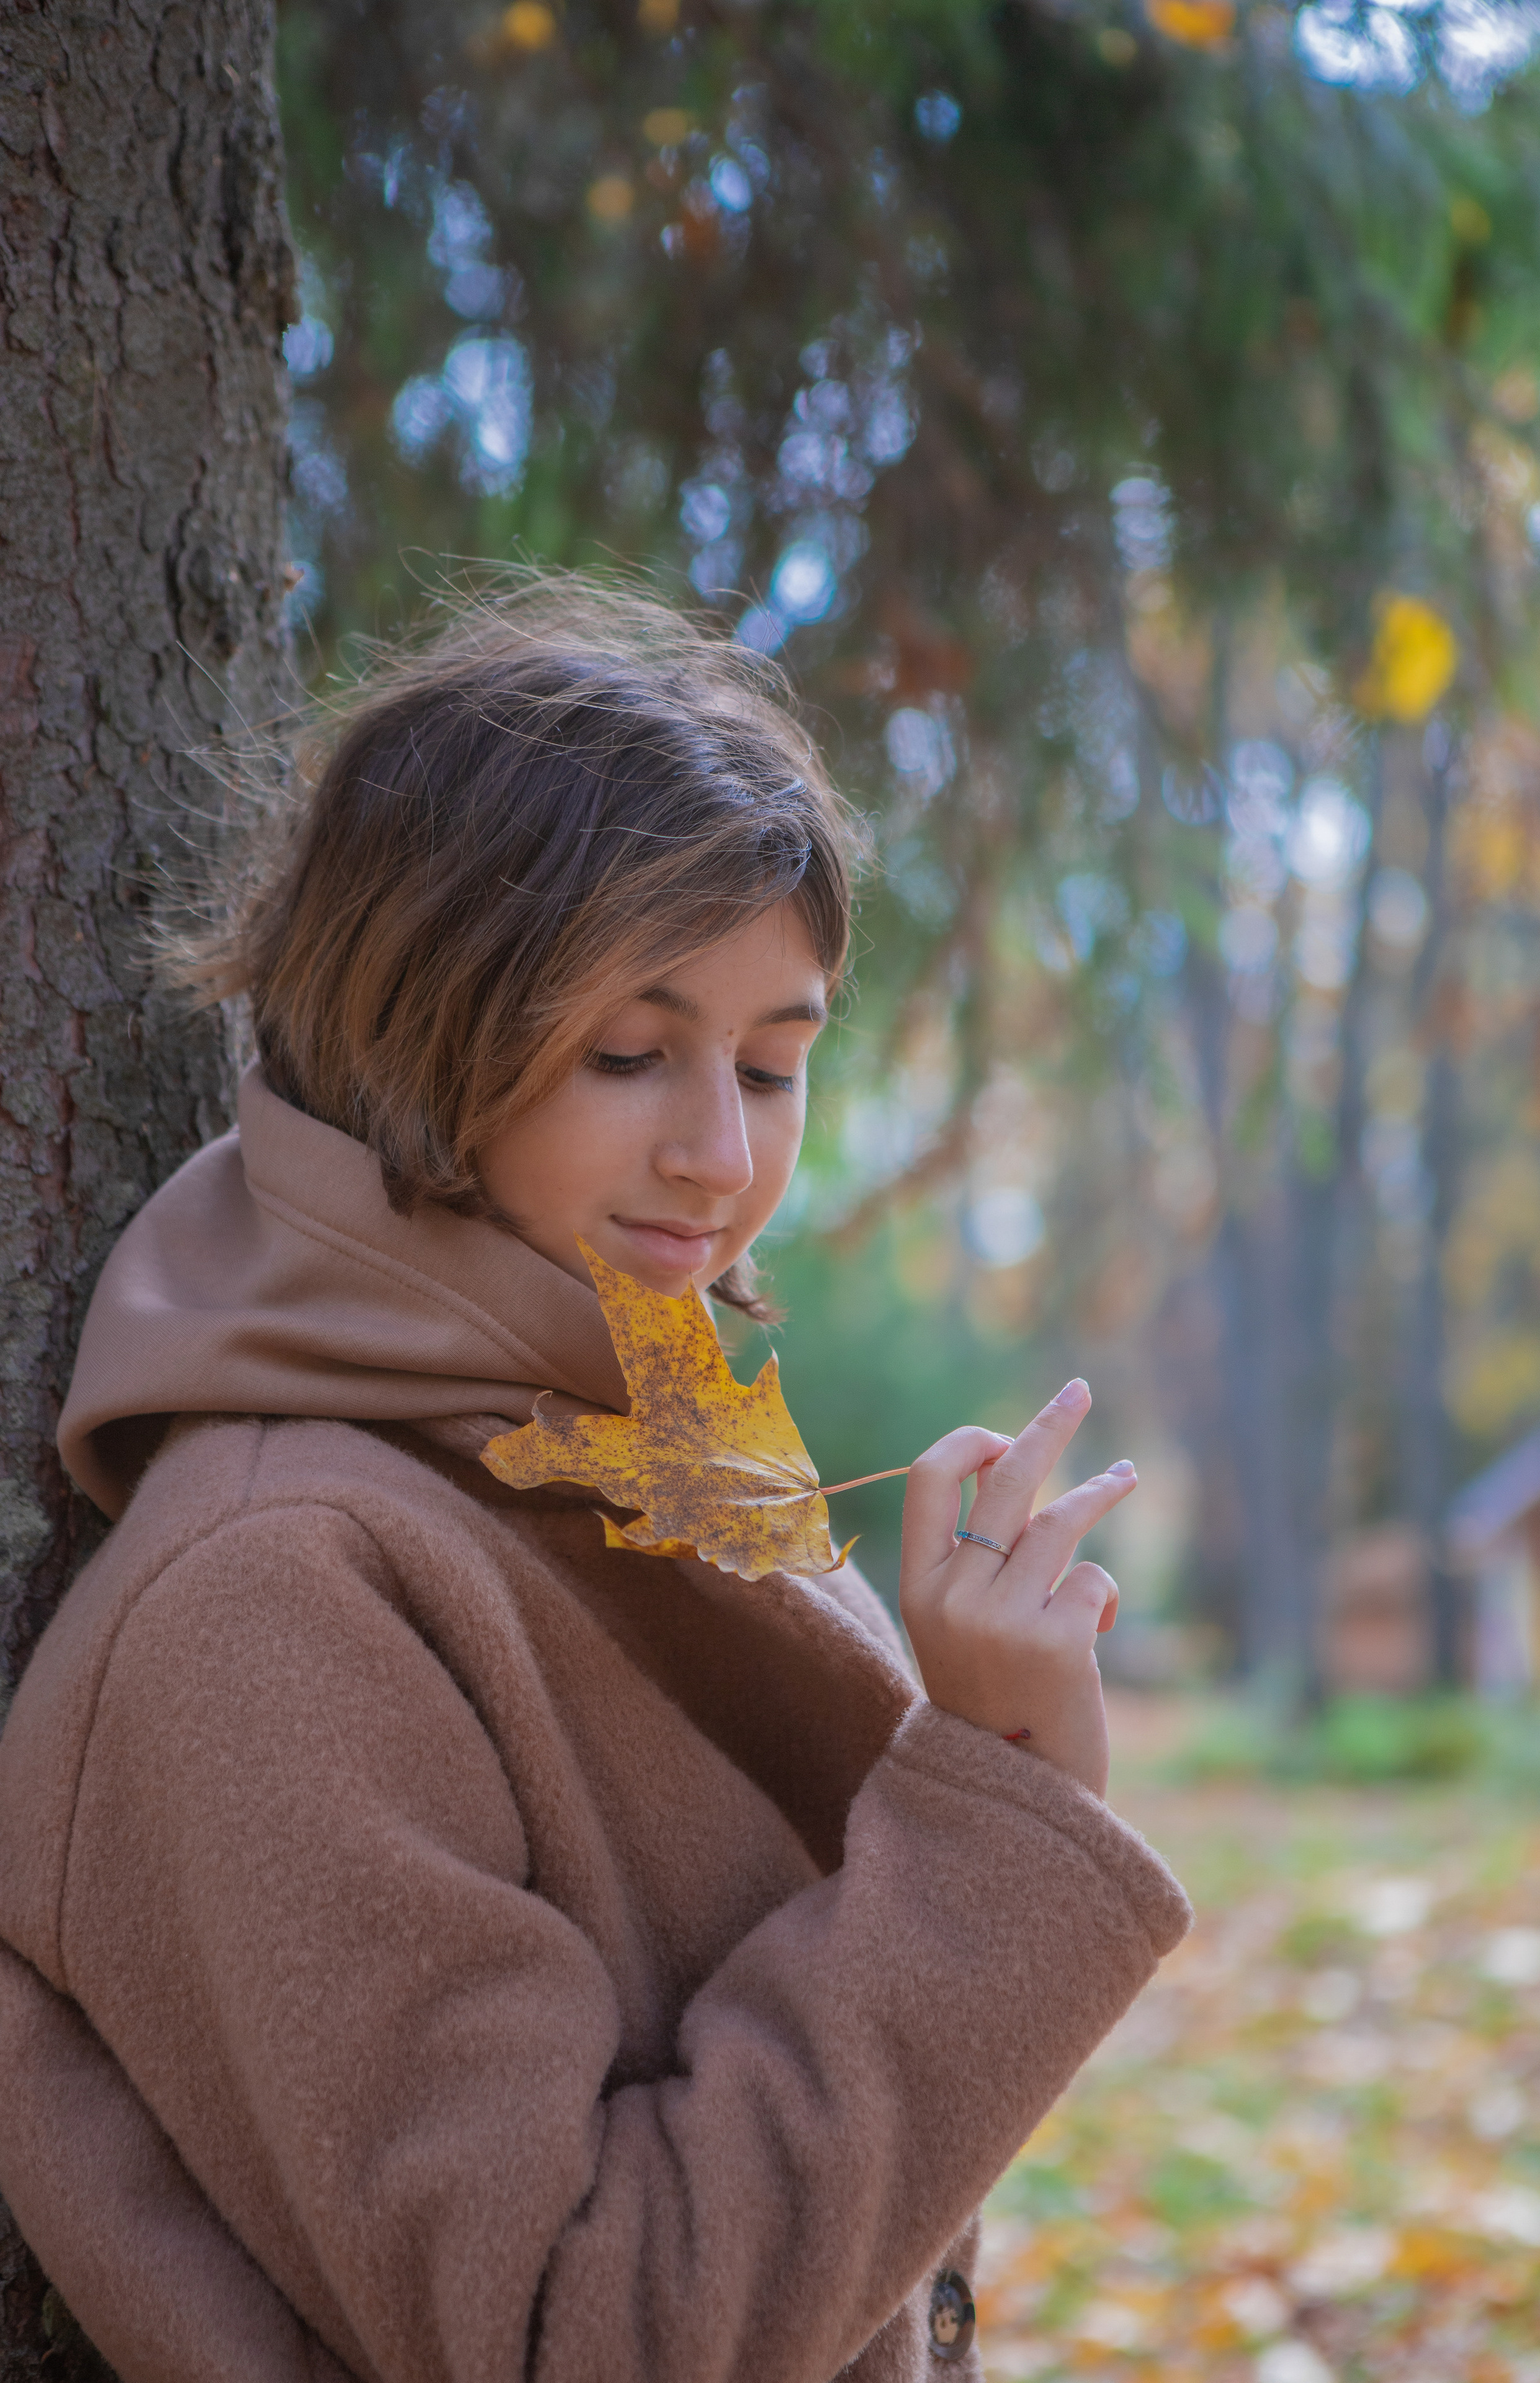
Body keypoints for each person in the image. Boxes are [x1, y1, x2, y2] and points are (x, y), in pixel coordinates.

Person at [0, 578, 1190, 2383]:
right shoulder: (274, 1594)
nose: (722, 1156)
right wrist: (980, 1829)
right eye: (630, 1056)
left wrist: (1005, 1756)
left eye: (774, 1063)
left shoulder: (616, 1471)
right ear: (419, 1032)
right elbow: (580, 2338)